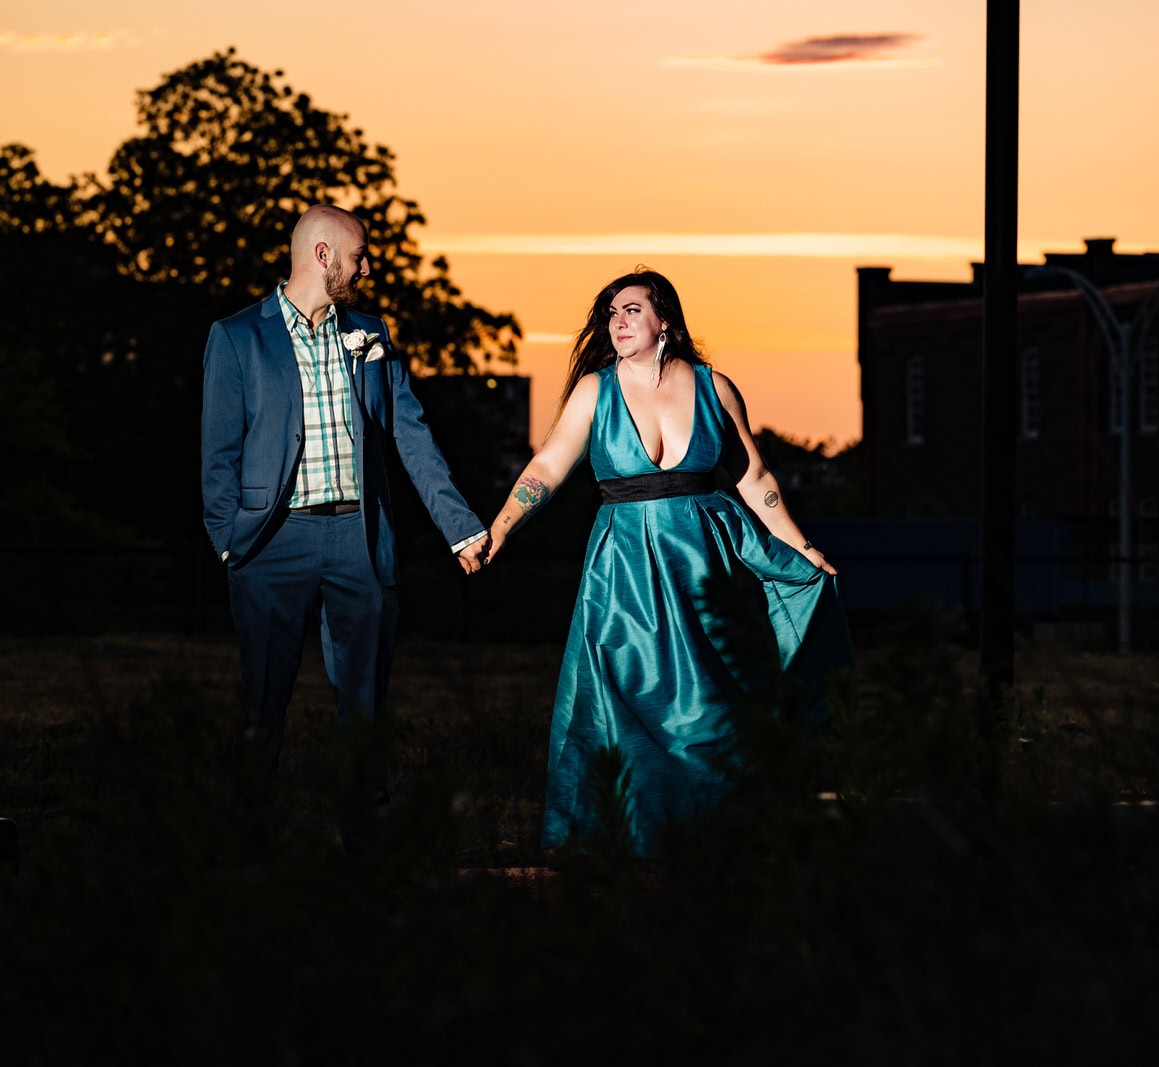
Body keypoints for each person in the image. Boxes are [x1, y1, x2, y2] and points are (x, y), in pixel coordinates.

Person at [485, 268, 850, 855]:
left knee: (712, 707)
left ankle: (716, 838)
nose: (617, 321)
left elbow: (753, 477)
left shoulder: (715, 387)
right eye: (610, 313)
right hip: (624, 568)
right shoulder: (595, 390)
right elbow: (546, 468)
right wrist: (500, 528)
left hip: (705, 562)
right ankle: (622, 841)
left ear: (666, 321)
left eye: (630, 309)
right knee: (622, 701)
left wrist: (805, 549)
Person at [200, 204, 490, 831]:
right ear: (323, 255)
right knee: (263, 703)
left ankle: (365, 852)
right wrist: (229, 542)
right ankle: (245, 850)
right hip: (271, 544)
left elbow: (411, 435)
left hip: (360, 540)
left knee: (364, 707)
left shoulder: (371, 333)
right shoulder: (237, 336)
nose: (366, 266)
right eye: (359, 254)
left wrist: (459, 525)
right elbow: (217, 451)